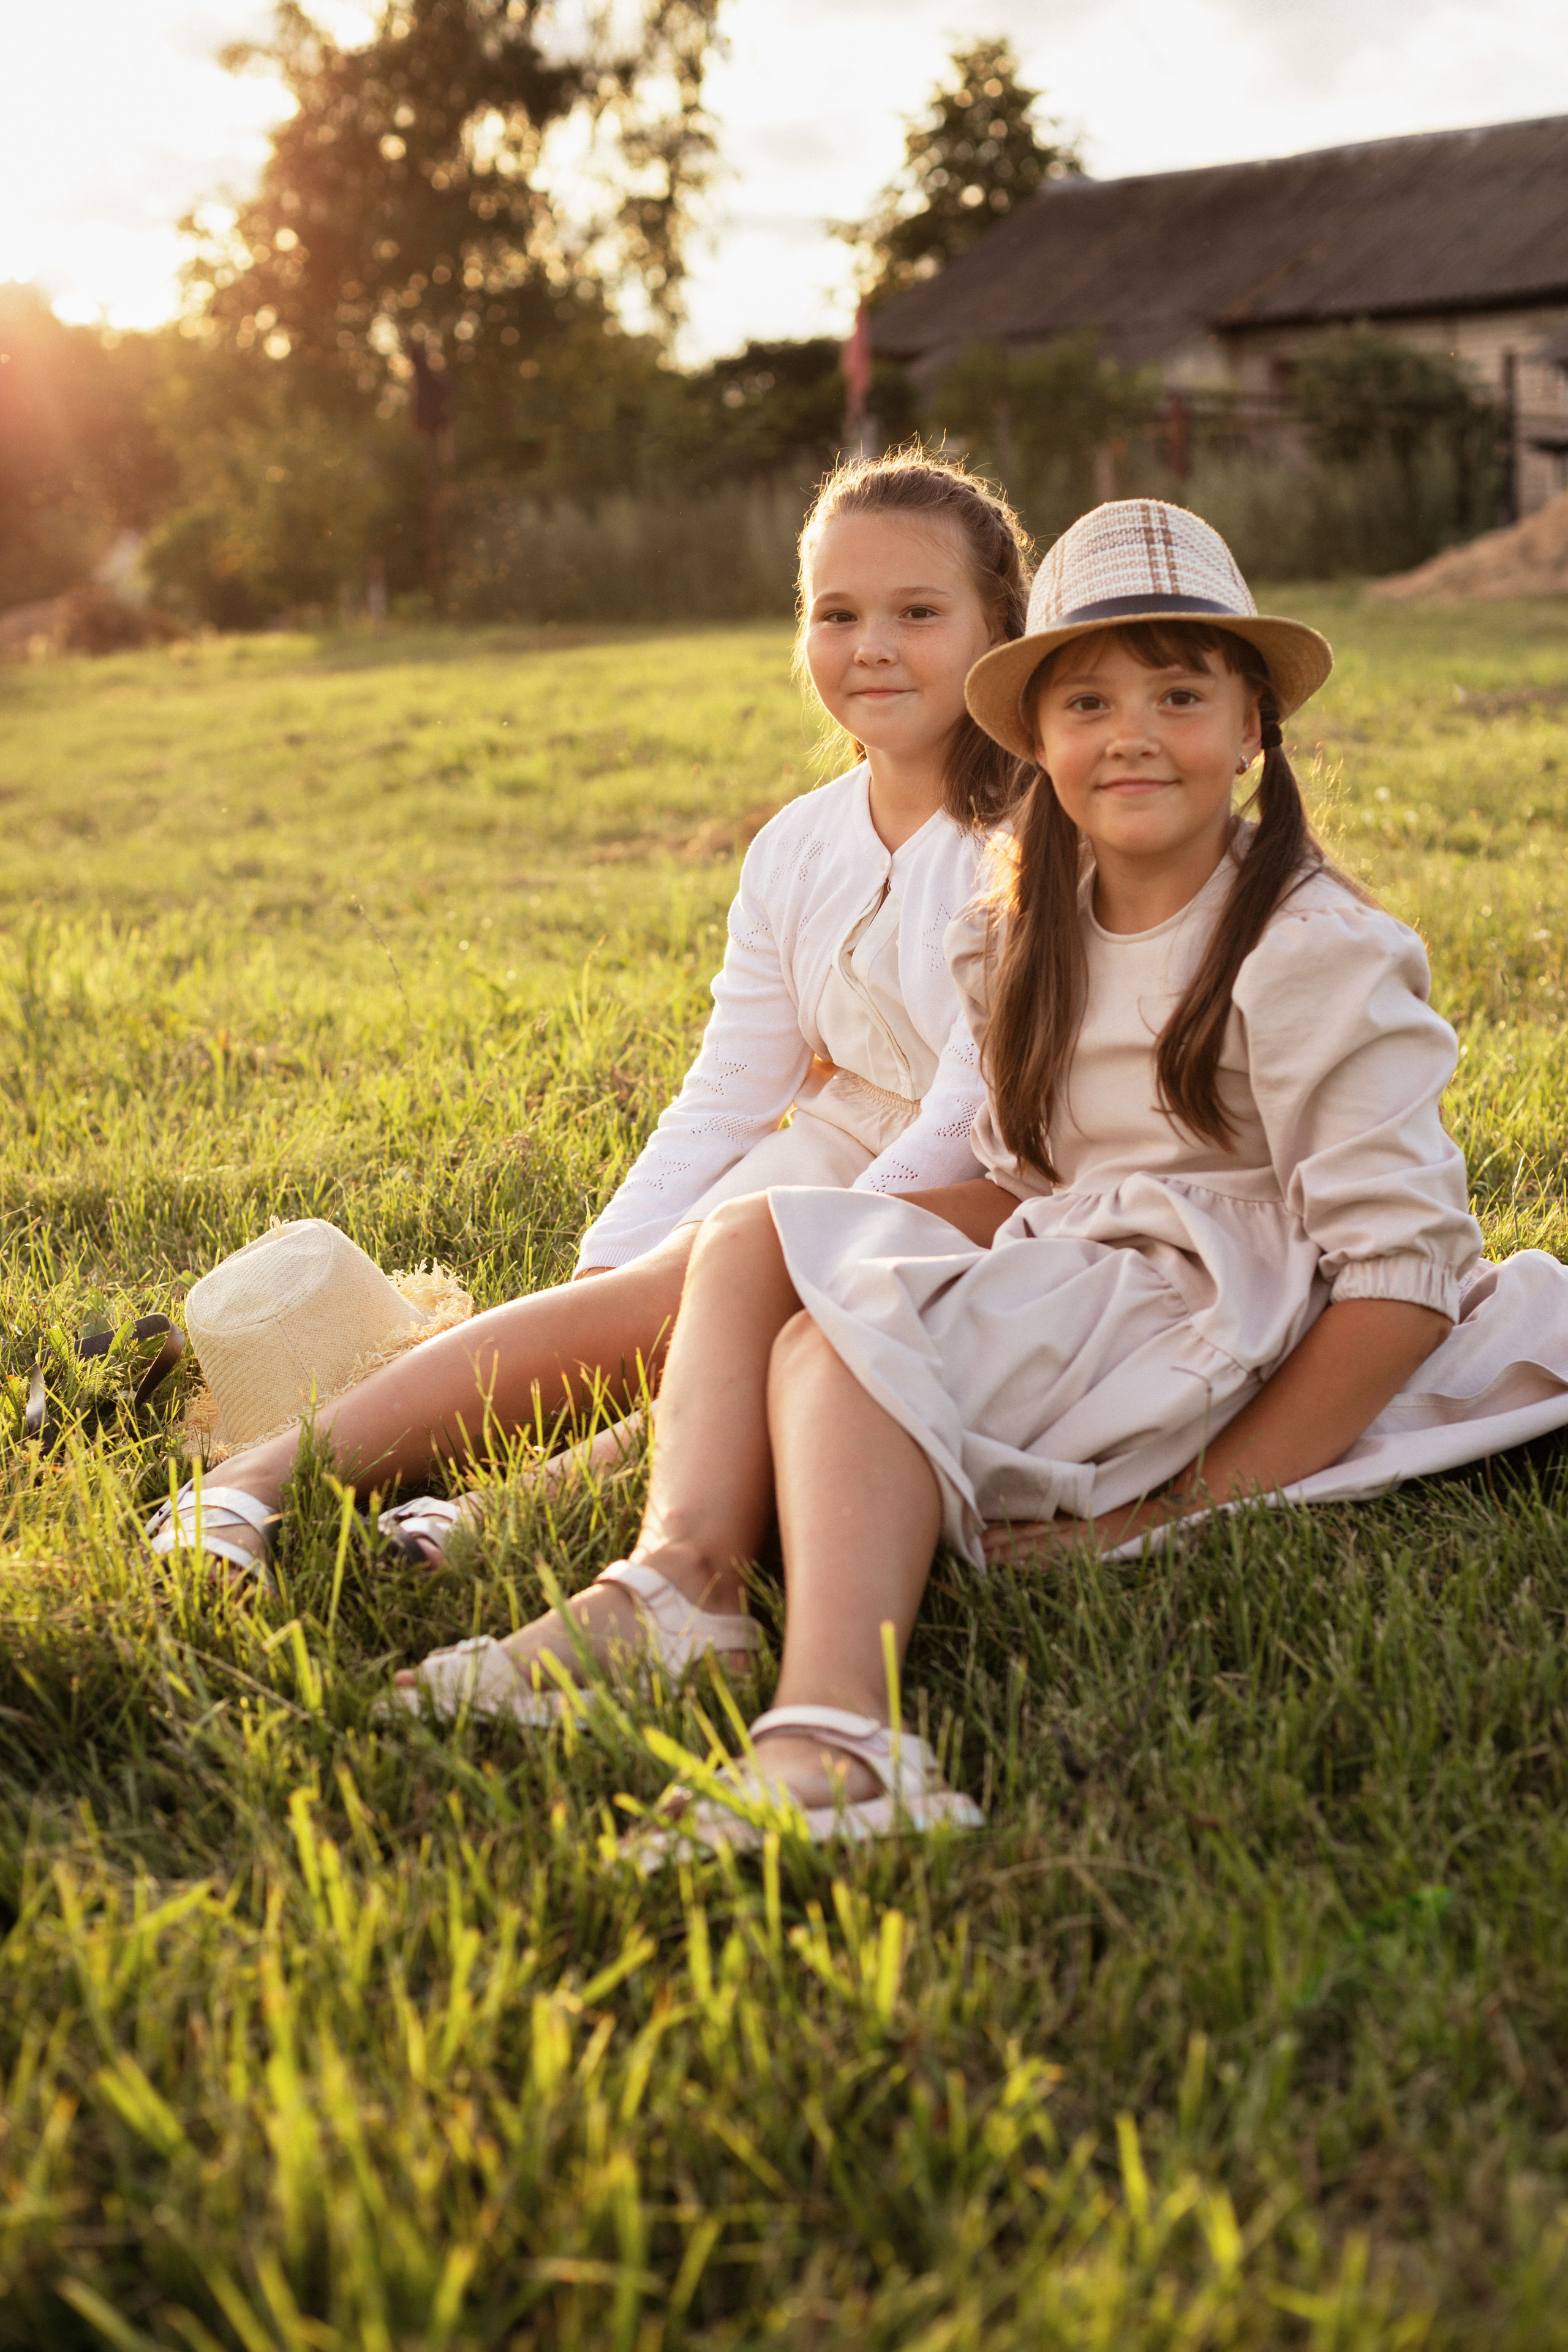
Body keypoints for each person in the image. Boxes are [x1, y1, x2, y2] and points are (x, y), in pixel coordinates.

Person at [393, 497, 1568, 1841]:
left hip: (1227, 1311)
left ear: (1250, 729)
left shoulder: (1312, 950)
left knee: (841, 1345)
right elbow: (1021, 1183)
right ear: (1034, 739)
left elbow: (1401, 1282)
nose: (1128, 734)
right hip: (1086, 1264)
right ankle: (680, 1585)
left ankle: (841, 1737)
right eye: (1085, 703)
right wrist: (805, 1232)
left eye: (1178, 695)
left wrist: (1169, 1513)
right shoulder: (1021, 933)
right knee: (758, 1239)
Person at [146, 451, 1034, 1589]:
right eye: (836, 613)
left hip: (985, 1183)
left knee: (747, 1302)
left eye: (918, 612)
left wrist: (784, 1260)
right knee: (655, 1288)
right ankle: (244, 1487)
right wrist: (601, 1280)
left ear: (999, 626)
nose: (870, 645)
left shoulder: (1033, 837)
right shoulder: (796, 845)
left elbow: (973, 1109)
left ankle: (488, 1512)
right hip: (834, 1138)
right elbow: (730, 1089)